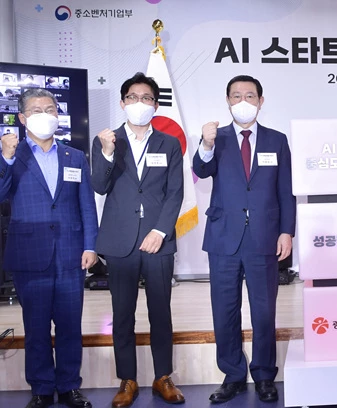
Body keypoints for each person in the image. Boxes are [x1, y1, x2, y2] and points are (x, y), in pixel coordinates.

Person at [193, 75, 296, 404]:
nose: (243, 101)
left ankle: (264, 374)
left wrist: (287, 231)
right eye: (236, 96)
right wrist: (206, 145)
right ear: (227, 101)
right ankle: (233, 375)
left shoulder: (277, 140)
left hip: (264, 237)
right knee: (225, 310)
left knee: (264, 311)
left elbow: (286, 190)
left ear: (261, 101)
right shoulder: (216, 138)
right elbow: (200, 170)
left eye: (250, 95)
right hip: (224, 237)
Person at [90, 73, 185, 407]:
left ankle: (163, 377)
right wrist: (106, 153)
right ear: (122, 102)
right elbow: (99, 186)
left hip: (158, 240)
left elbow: (175, 192)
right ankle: (127, 379)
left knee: (160, 311)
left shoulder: (169, 143)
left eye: (146, 98)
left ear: (155, 105)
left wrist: (160, 230)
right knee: (122, 314)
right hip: (120, 240)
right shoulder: (107, 140)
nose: (139, 103)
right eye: (133, 97)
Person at [0, 88, 97, 408]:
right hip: (30, 255)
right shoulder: (12, 155)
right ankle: (41, 388)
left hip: (71, 253)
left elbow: (86, 206)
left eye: (50, 109)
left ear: (58, 114)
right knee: (36, 327)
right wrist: (5, 158)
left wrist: (90, 246)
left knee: (70, 325)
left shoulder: (74, 156)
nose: (45, 114)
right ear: (22, 118)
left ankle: (69, 386)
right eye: (36, 110)